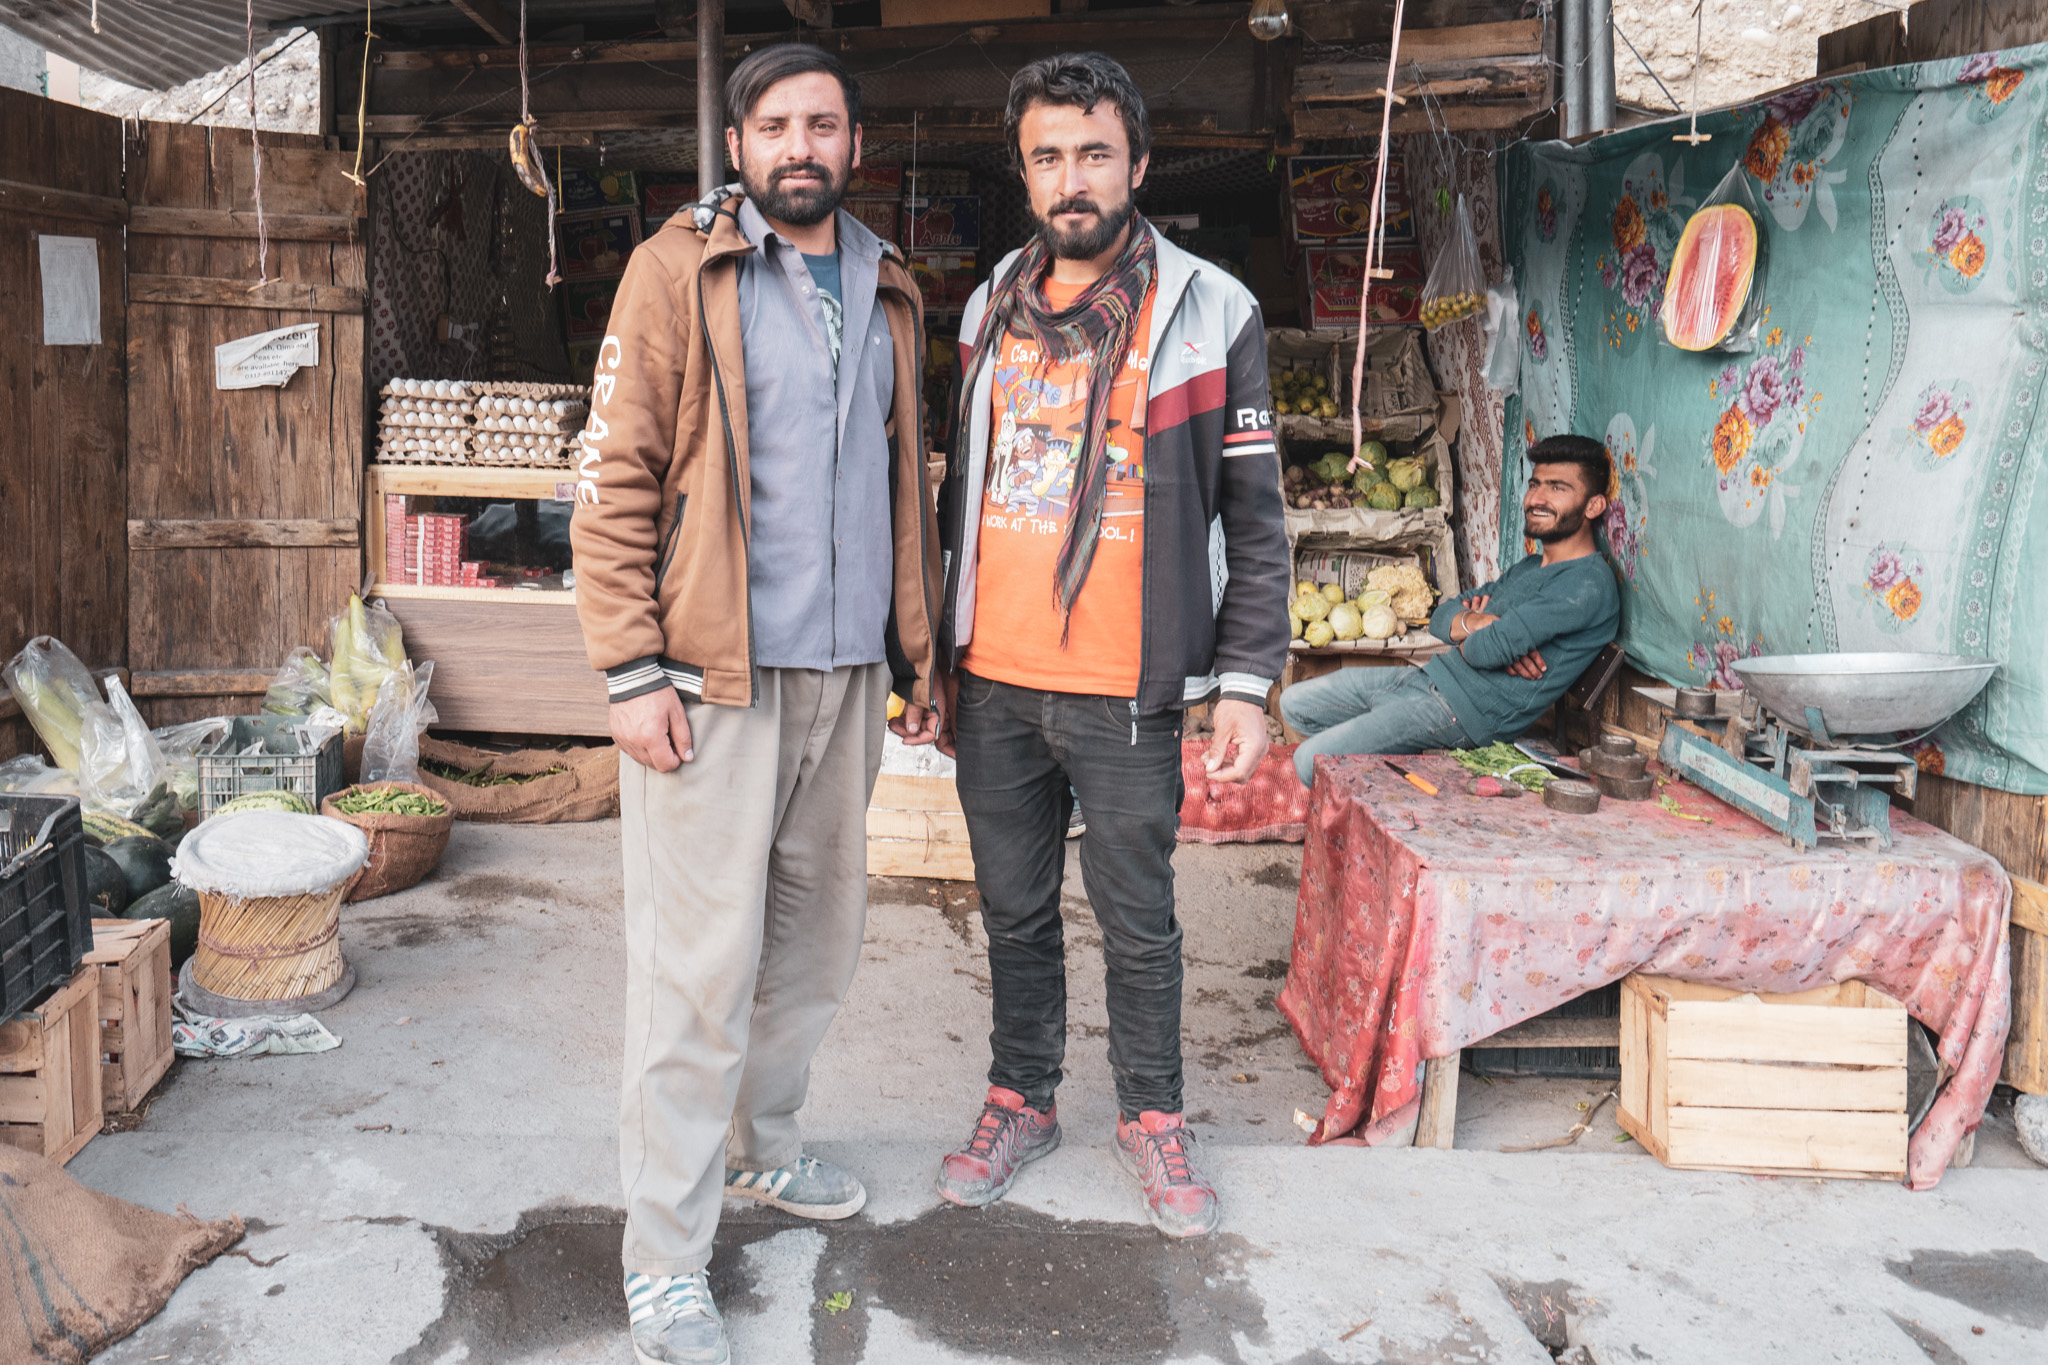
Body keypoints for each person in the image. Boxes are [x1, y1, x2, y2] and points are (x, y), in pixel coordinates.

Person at [569, 44, 941, 1365]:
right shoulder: (681, 268)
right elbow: (613, 476)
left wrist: (917, 660)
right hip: (711, 680)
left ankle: (764, 1149)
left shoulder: (888, 284)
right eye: (775, 124)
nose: (801, 144)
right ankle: (664, 1257)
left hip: (844, 676)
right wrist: (629, 666)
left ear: (854, 143)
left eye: (823, 123)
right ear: (738, 147)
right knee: (695, 973)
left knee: (815, 949)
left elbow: (902, 490)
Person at [929, 51, 1289, 1240]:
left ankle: (1152, 1115)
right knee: (1013, 908)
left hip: (1126, 682)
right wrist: (932, 653)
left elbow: (1254, 514)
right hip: (995, 677)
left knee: (1138, 916)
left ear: (1136, 162)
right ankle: (1019, 1096)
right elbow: (957, 501)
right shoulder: (986, 308)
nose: (1070, 177)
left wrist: (1243, 683)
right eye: (1047, 156)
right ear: (1022, 171)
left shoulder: (1209, 311)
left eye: (1093, 152)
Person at [1280, 434, 1621, 786]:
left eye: (1557, 488)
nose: (1536, 498)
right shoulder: (1531, 567)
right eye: (1535, 484)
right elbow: (1440, 618)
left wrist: (1481, 634)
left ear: (1593, 506)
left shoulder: (1587, 584)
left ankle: (1381, 766)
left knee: (1309, 762)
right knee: (1294, 702)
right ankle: (1379, 754)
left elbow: (1482, 649)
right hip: (1429, 678)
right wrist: (1479, 623)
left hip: (1461, 713)